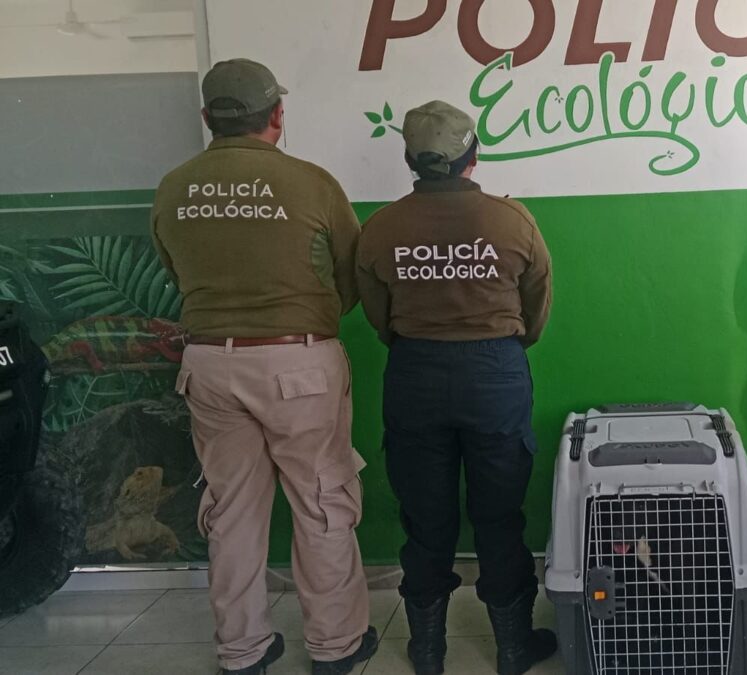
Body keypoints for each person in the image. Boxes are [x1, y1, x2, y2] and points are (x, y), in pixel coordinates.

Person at [151, 59, 376, 675]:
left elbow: (174, 269)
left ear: (207, 117)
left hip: (208, 364)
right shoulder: (311, 183)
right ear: (277, 114)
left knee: (231, 511)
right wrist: (311, 320)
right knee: (322, 502)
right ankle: (335, 647)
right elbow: (350, 274)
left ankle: (242, 651)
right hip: (298, 361)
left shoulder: (173, 186)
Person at [355, 100, 555, 675]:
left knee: (425, 517)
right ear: (474, 154)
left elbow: (377, 314)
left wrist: (415, 341)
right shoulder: (512, 220)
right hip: (495, 374)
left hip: (413, 373)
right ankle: (512, 649)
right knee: (500, 514)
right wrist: (502, 348)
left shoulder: (382, 227)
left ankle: (427, 651)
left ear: (409, 159)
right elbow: (537, 305)